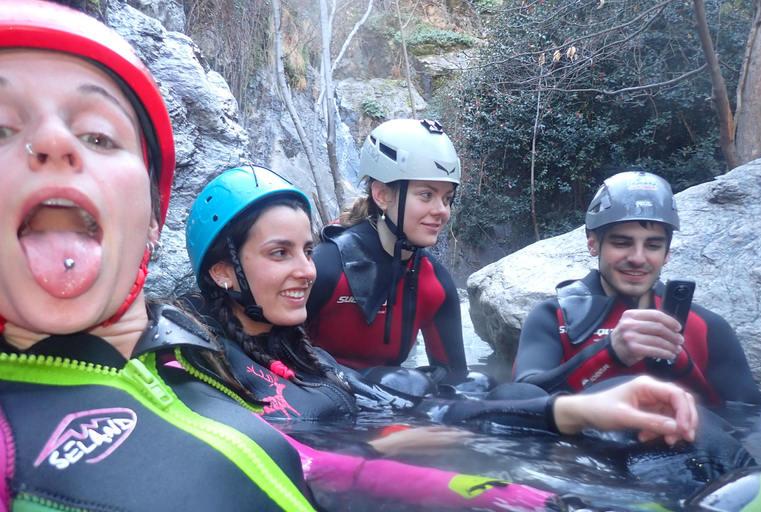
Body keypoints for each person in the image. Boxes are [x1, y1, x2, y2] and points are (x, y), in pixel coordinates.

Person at [0, 3, 317, 511]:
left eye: (99, 136)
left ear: (152, 220)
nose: (54, 140)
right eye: (1, 129)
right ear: (222, 272)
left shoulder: (187, 358)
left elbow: (303, 461)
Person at [184, 165, 700, 444]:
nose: (306, 268)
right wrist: (374, 450)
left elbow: (433, 394)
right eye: (281, 253)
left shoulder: (306, 358)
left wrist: (572, 410)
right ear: (224, 271)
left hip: (364, 413)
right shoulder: (185, 354)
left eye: (305, 249)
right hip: (336, 449)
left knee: (435, 386)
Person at [512, 171, 761, 407]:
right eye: (622, 243)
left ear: (667, 253)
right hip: (579, 452)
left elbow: (748, 420)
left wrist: (679, 364)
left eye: (653, 246)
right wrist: (610, 352)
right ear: (593, 245)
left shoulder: (707, 327)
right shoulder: (551, 317)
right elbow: (519, 402)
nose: (637, 258)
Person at [305, 118, 467, 371]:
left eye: (447, 198)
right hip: (314, 396)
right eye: (426, 195)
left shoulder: (436, 283)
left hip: (383, 403)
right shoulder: (325, 266)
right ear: (381, 195)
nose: (441, 211)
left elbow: (456, 380)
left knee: (482, 384)